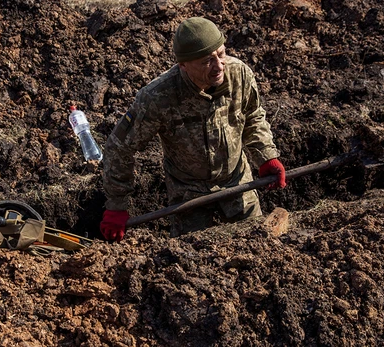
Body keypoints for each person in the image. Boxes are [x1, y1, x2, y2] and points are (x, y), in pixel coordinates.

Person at [100, 17, 286, 242]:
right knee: (189, 256)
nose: (219, 66)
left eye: (221, 54)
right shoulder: (158, 97)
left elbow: (253, 116)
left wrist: (266, 156)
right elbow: (119, 148)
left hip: (236, 182)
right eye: (208, 61)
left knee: (256, 242)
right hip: (188, 192)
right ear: (183, 65)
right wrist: (117, 205)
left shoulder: (240, 75)